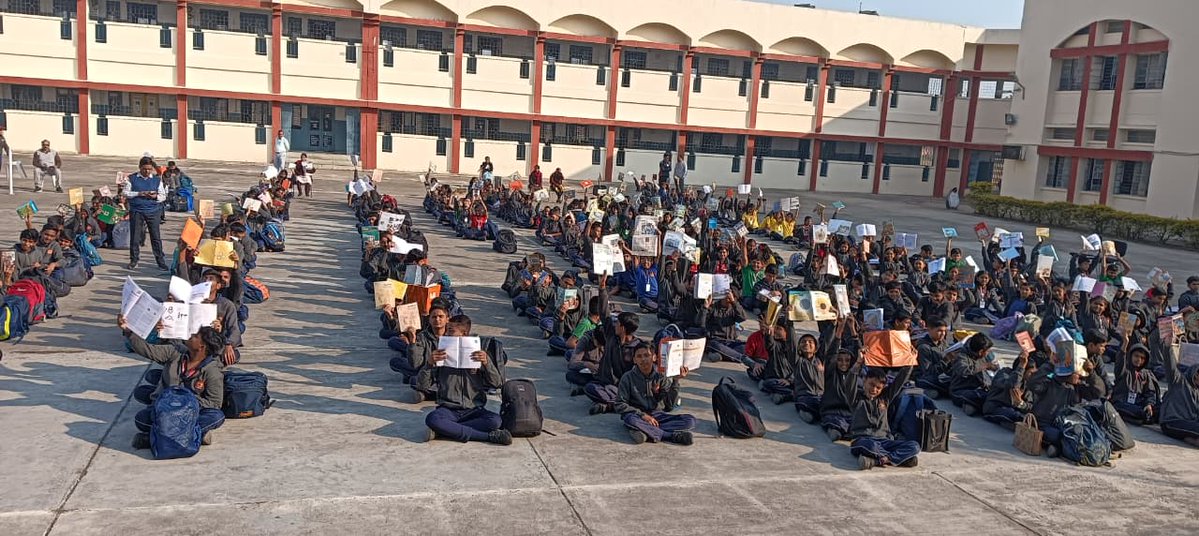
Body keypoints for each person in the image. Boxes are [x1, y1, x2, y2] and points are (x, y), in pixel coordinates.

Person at [121, 322, 227, 450]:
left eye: (195, 336)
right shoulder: (175, 353)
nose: (191, 335)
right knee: (141, 419)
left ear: (201, 346)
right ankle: (194, 435)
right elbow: (148, 350)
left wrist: (187, 400)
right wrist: (129, 332)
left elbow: (214, 404)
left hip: (189, 413)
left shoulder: (212, 371)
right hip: (165, 409)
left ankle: (154, 437)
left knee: (216, 416)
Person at [423, 314, 511, 445]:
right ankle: (487, 437)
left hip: (473, 409)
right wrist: (429, 364)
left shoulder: (478, 354)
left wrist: (487, 363)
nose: (446, 333)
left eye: (451, 331)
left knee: (495, 420)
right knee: (432, 419)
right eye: (447, 330)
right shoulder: (440, 353)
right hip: (448, 409)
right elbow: (423, 385)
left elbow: (497, 383)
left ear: (464, 334)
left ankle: (445, 430)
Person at [613, 344, 695, 445]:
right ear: (634, 360)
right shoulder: (627, 378)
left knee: (690, 420)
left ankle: (646, 432)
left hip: (658, 416)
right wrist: (642, 415)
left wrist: (675, 381)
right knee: (631, 420)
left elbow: (669, 406)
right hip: (637, 416)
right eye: (639, 356)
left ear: (654, 357)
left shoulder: (661, 376)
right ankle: (669, 436)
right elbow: (619, 404)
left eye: (646, 355)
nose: (643, 359)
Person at [850, 365, 917, 470]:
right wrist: (858, 363)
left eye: (878, 388)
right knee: (871, 446)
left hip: (885, 441)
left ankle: (879, 460)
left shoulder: (884, 399)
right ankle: (899, 458)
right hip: (863, 440)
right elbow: (849, 381)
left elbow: (900, 380)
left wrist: (910, 362)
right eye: (871, 384)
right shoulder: (855, 398)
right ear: (864, 380)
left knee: (914, 446)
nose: (874, 389)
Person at [126, 156, 169, 270]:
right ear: (140, 168)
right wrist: (139, 194)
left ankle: (160, 260)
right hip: (137, 210)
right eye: (144, 169)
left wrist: (155, 197)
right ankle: (134, 259)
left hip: (153, 211)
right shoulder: (131, 178)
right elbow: (126, 193)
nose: (147, 171)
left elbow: (163, 196)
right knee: (135, 237)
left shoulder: (156, 180)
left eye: (149, 169)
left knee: (155, 237)